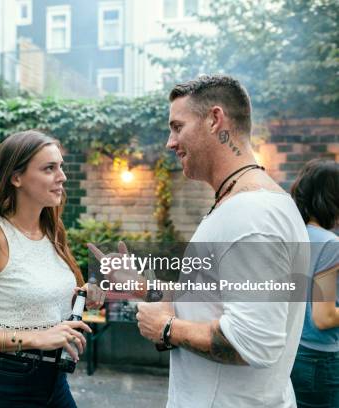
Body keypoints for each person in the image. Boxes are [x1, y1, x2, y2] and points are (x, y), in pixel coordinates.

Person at [94, 75, 310, 407]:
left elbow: (252, 342)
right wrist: (144, 288)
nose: (170, 142)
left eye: (177, 127)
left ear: (214, 119)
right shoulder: (243, 204)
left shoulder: (252, 214)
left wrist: (166, 328)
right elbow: (211, 300)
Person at [0, 130, 103, 407]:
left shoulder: (51, 231)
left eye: (60, 167)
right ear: (16, 178)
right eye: (49, 168)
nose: (62, 176)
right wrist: (36, 338)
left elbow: (40, 301)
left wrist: (85, 294)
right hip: (9, 381)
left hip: (55, 378)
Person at [289, 159, 338, 407]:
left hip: (292, 352)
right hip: (320, 360)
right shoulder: (330, 244)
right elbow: (324, 317)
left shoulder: (293, 234)